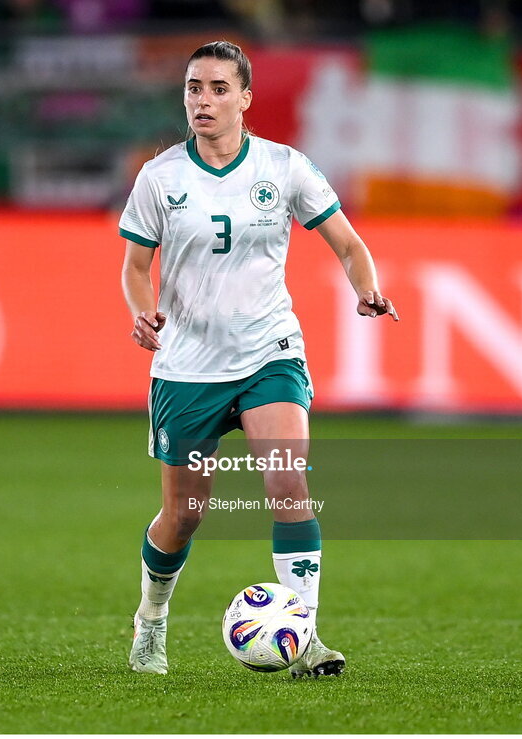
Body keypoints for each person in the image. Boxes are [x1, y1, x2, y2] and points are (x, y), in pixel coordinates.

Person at [119, 40, 398, 677]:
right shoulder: (160, 177)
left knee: (287, 484)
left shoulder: (285, 168)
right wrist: (142, 310)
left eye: (219, 88)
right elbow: (137, 265)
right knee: (184, 515)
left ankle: (305, 641)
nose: (203, 100)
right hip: (188, 368)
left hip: (269, 354)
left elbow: (349, 243)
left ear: (246, 97)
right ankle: (151, 622)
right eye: (194, 88)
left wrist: (367, 289)